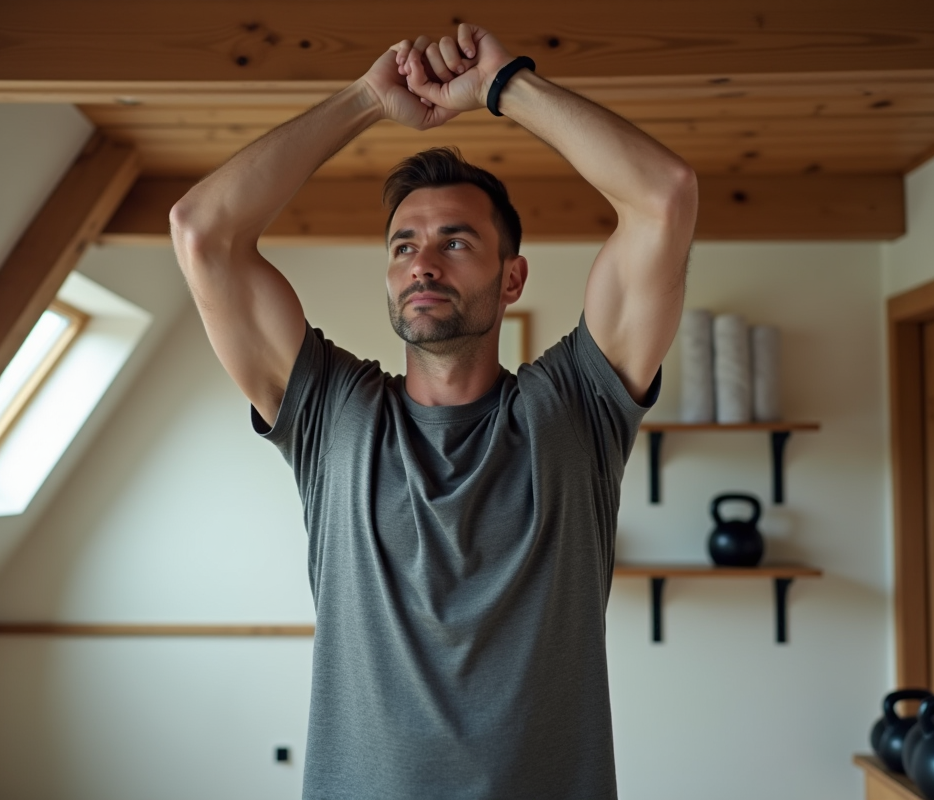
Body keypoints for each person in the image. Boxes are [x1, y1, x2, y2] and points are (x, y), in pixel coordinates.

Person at [170, 23, 697, 800]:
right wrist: (365, 98)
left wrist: (503, 86)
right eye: (403, 245)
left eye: (455, 243)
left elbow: (664, 198)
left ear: (511, 278)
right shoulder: (331, 415)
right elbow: (201, 232)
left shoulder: (576, 408)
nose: (421, 262)